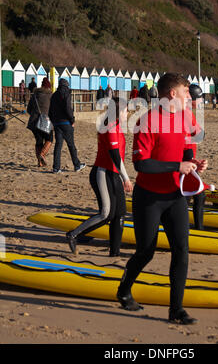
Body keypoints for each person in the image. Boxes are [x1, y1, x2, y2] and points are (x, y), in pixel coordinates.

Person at [117, 73, 208, 325]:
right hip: (149, 197)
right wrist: (176, 166)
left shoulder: (185, 117)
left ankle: (175, 310)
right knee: (146, 252)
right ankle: (124, 289)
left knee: (181, 250)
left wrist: (193, 163)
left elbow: (187, 145)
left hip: (175, 196)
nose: (189, 96)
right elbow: (141, 164)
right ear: (172, 94)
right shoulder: (147, 121)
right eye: (186, 92)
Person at [66, 97, 132, 255]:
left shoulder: (116, 125)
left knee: (120, 213)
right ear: (118, 112)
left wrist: (121, 175)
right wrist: (126, 178)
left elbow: (119, 158)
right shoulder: (109, 127)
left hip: (114, 173)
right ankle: (74, 234)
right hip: (102, 173)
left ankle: (114, 252)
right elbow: (115, 156)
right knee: (106, 213)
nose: (128, 113)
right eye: (125, 110)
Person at [49, 78, 85, 174]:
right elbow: (68, 108)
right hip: (66, 123)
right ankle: (77, 165)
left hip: (57, 123)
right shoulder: (66, 94)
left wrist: (53, 121)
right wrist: (72, 119)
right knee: (71, 145)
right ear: (66, 85)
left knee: (58, 145)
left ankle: (56, 168)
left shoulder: (54, 95)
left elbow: (50, 111)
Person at [187, 84, 206, 230]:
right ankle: (199, 230)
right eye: (199, 98)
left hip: (189, 158)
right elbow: (200, 135)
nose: (201, 101)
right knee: (199, 196)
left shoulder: (187, 112)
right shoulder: (187, 113)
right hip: (185, 160)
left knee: (189, 196)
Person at [27, 77, 53, 167]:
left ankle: (40, 162)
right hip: (46, 121)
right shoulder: (51, 96)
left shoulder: (34, 95)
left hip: (34, 122)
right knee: (49, 139)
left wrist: (35, 114)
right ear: (49, 87)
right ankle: (42, 154)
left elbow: (28, 109)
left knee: (39, 141)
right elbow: (53, 111)